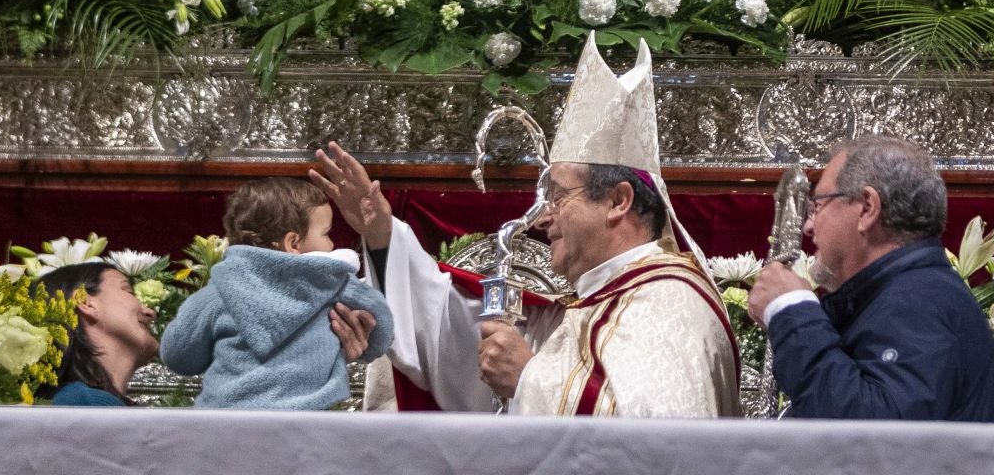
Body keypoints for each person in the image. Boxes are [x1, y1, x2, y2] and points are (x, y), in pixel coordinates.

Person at [312, 35, 738, 415]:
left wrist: (529, 379)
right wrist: (383, 235)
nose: (545, 216)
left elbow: (659, 445)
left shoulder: (666, 306)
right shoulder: (606, 296)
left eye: (559, 196)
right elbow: (457, 342)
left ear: (617, 201)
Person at [747, 136, 994, 422]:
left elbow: (877, 436)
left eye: (818, 205)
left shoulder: (917, 303)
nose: (809, 226)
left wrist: (791, 312)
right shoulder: (908, 293)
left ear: (867, 208)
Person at [161, 179, 393, 410]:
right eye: (326, 234)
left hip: (225, 418)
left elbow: (178, 355)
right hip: (305, 420)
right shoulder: (337, 285)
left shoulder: (219, 294)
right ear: (293, 242)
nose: (332, 244)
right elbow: (381, 329)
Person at [39, 261, 162, 405]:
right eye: (128, 291)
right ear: (86, 303)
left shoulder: (81, 401)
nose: (150, 313)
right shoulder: (84, 402)